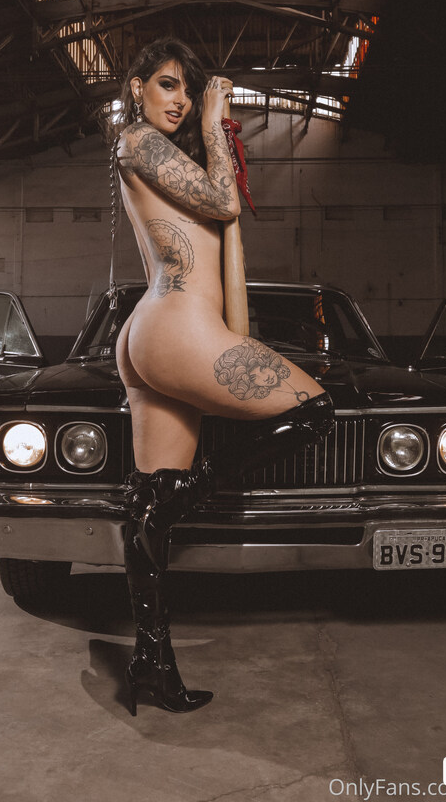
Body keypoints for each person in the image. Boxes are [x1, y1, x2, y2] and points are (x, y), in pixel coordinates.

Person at [113, 36, 334, 715]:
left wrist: (212, 137)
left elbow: (219, 212)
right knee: (314, 410)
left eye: (189, 89)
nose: (181, 99)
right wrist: (214, 122)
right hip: (174, 328)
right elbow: (224, 202)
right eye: (168, 84)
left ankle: (152, 666)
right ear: (137, 87)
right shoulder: (137, 141)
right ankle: (187, 495)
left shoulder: (162, 158)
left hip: (160, 332)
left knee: (150, 507)